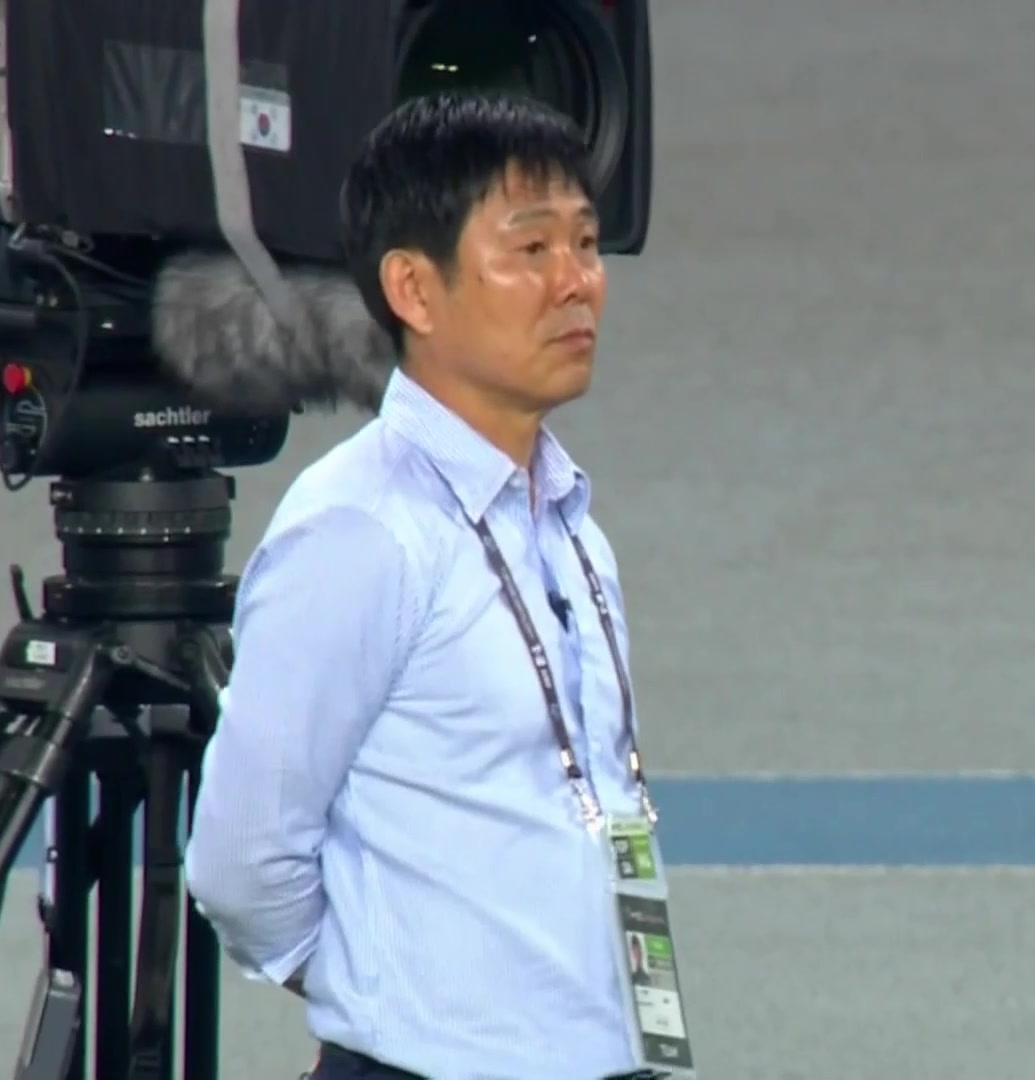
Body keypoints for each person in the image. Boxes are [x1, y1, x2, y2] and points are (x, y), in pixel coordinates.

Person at [183, 91, 672, 1080]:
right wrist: (387, 999)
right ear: (412, 287)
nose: (576, 283)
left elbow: (605, 807)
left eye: (585, 244)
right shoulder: (360, 534)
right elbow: (241, 863)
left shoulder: (572, 527)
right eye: (530, 249)